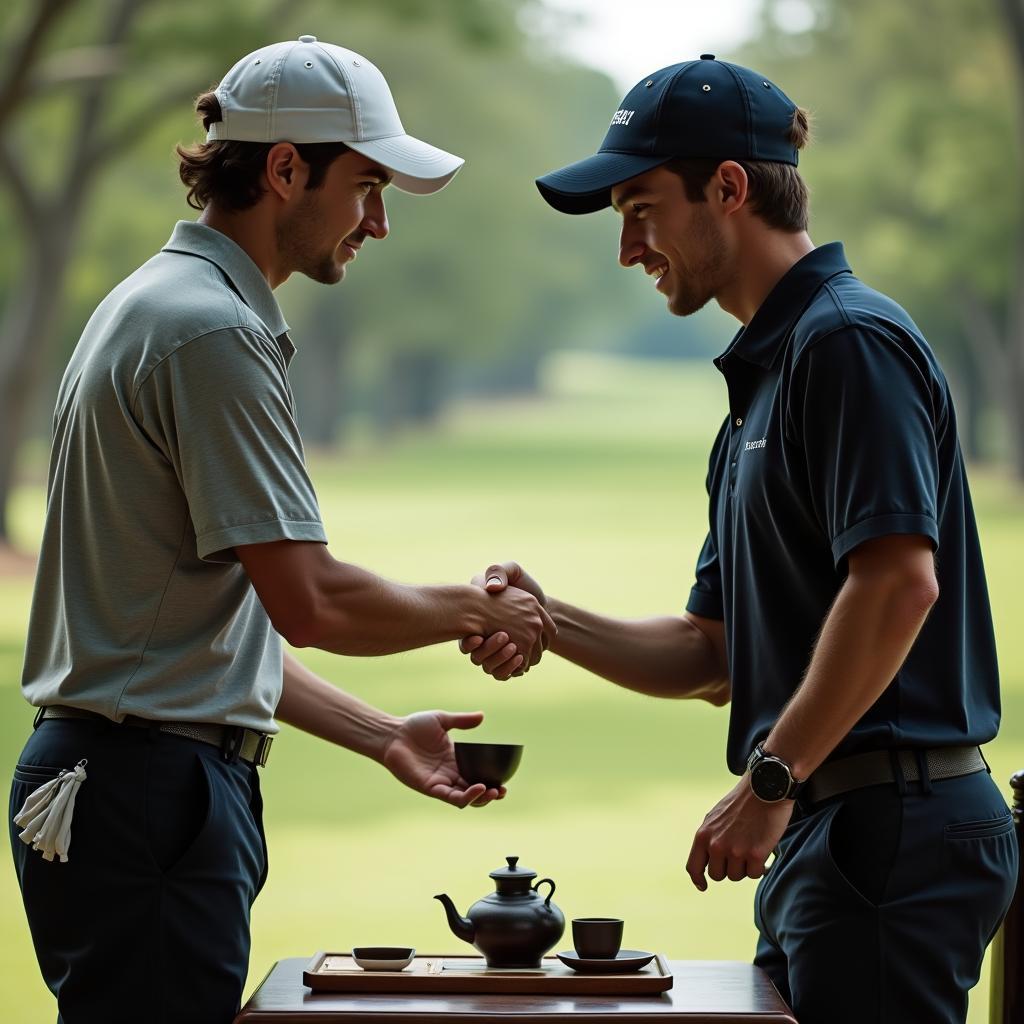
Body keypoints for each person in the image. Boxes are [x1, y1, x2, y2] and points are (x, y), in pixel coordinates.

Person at [9, 35, 553, 1024]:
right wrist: (482, 609)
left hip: (124, 779)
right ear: (285, 167)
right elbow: (311, 599)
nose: (377, 222)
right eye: (366, 186)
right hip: (150, 795)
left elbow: (187, 633)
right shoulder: (212, 331)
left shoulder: (154, 303)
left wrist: (384, 734)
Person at [463, 54, 1018, 1023]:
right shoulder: (762, 385)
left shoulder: (846, 342)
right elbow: (712, 652)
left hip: (890, 825)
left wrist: (770, 776)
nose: (629, 248)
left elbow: (896, 585)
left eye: (639, 210)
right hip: (832, 825)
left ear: (726, 188)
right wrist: (550, 621)